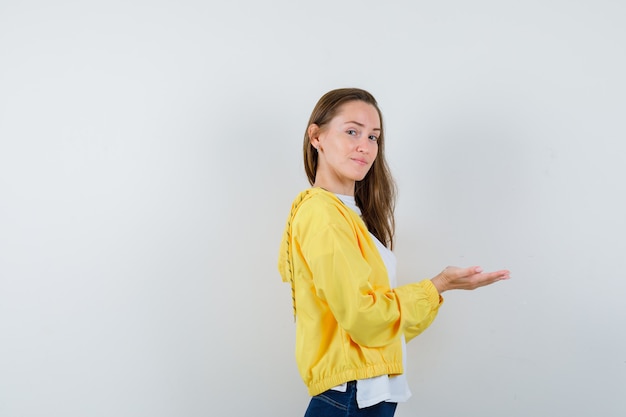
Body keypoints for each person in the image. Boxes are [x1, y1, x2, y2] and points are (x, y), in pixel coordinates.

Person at [277, 88, 510, 417]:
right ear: (316, 137)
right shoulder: (323, 214)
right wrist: (436, 285)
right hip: (349, 397)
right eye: (352, 131)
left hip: (366, 394)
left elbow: (382, 329)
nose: (365, 146)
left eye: (373, 137)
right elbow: (363, 318)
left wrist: (440, 287)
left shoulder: (350, 216)